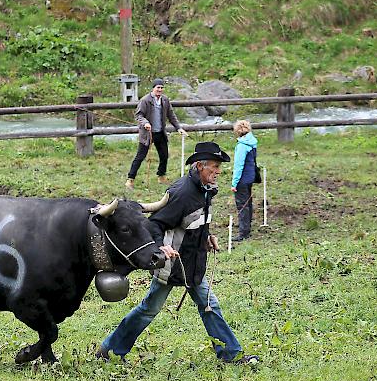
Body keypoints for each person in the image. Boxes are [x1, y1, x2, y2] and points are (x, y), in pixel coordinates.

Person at [99, 142, 259, 364]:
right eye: (214, 166)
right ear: (200, 166)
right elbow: (153, 225)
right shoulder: (181, 193)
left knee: (209, 306)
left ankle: (230, 354)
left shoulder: (205, 191)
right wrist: (159, 248)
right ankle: (110, 350)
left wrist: (207, 237)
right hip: (172, 266)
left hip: (194, 265)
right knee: (148, 310)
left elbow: (194, 222)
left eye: (219, 166)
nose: (218, 171)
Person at [126, 78, 187, 189]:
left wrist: (178, 128)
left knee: (164, 155)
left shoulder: (165, 100)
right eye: (158, 87)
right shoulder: (145, 100)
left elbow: (171, 115)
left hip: (160, 132)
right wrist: (145, 123)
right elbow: (139, 115)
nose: (160, 90)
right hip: (148, 134)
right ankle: (130, 179)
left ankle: (161, 176)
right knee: (140, 157)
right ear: (153, 88)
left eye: (161, 87)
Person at [230, 120, 258, 242]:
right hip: (250, 177)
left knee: (242, 205)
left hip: (242, 179)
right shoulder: (252, 142)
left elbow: (238, 166)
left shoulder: (242, 145)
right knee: (248, 203)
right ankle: (247, 227)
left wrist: (234, 183)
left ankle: (243, 232)